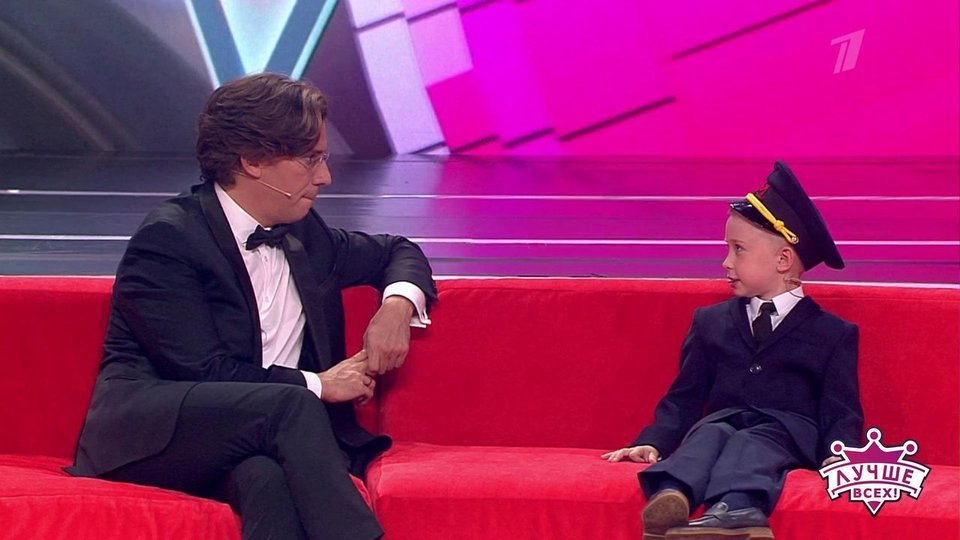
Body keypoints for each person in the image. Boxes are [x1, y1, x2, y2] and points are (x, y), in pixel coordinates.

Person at [67, 73, 437, 540]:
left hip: (254, 441)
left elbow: (397, 250)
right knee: (290, 405)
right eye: (310, 159)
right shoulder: (170, 239)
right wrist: (319, 384)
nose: (325, 177)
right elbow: (202, 370)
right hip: (157, 436)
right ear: (253, 160)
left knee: (266, 479)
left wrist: (395, 308)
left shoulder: (305, 233)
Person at [602, 162, 863, 540]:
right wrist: (653, 440)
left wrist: (840, 454)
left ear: (783, 260)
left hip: (785, 431)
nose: (726, 262)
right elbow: (684, 397)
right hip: (722, 420)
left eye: (738, 250)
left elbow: (841, 410)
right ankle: (672, 494)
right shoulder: (711, 322)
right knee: (708, 435)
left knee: (753, 442)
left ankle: (740, 508)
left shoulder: (832, 333)